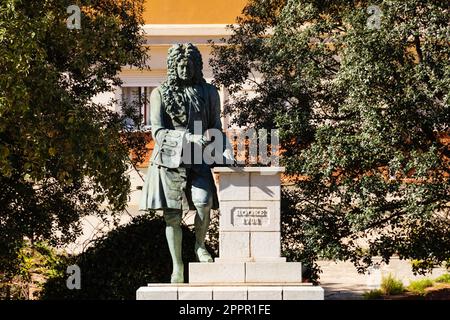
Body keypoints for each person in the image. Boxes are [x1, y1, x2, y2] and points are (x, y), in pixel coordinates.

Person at [139, 43, 235, 283]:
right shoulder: (159, 93)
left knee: (204, 202)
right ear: (173, 66)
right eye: (180, 66)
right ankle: (177, 266)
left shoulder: (210, 92)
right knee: (172, 216)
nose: (184, 70)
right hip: (170, 161)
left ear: (196, 66)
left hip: (199, 157)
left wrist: (224, 149)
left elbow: (215, 127)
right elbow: (158, 132)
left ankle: (199, 245)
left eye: (189, 66)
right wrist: (186, 136)